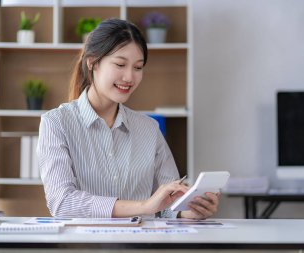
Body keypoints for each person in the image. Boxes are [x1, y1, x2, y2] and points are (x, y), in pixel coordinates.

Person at [37, 18, 220, 219]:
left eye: (138, 67)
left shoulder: (149, 129)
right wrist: (144, 206)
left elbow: (169, 203)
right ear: (92, 62)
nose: (129, 77)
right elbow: (62, 202)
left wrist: (190, 210)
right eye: (120, 64)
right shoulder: (56, 123)